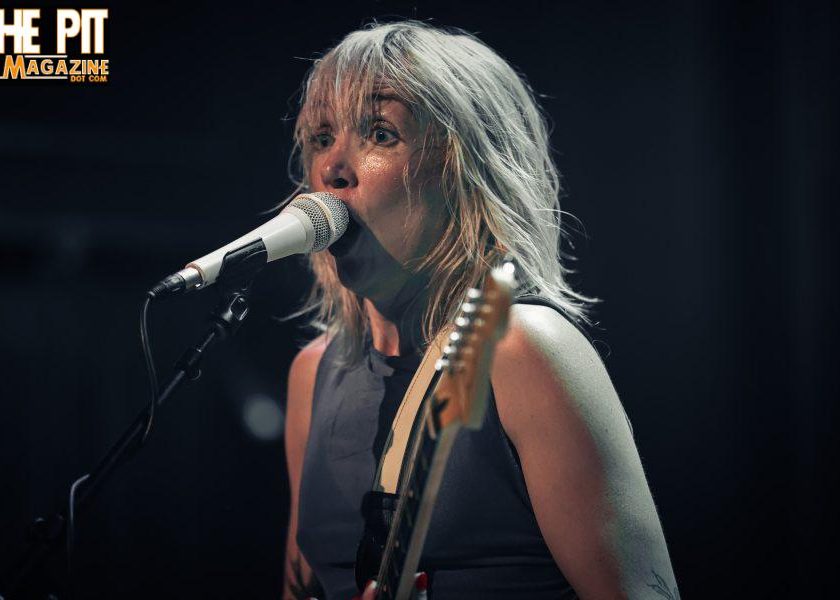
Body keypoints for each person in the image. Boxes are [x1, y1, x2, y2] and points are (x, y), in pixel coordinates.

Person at [282, 21, 678, 600]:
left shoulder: (520, 348)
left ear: (465, 172)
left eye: (380, 133)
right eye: (321, 137)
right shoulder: (314, 373)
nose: (332, 168)